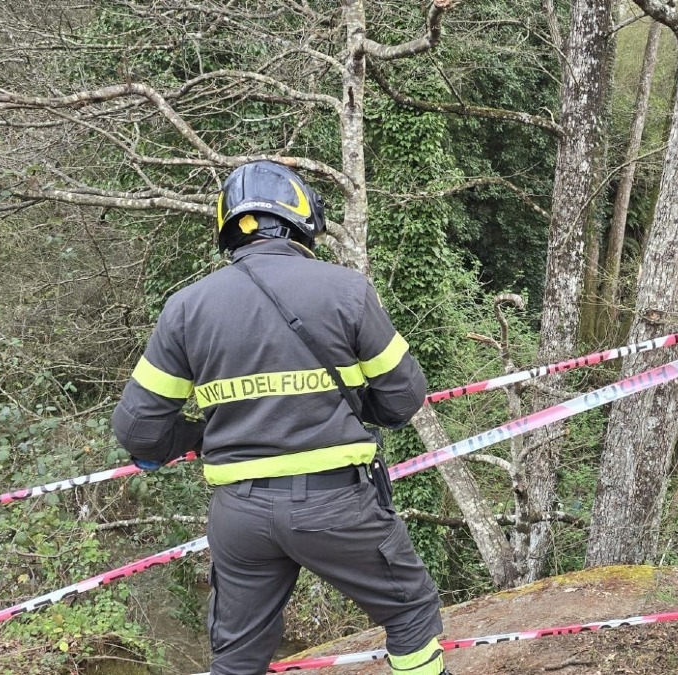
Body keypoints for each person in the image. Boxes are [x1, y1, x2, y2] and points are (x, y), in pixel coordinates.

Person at [111, 161, 450, 675]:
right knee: (410, 613)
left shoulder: (186, 308)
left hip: (240, 516)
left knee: (237, 657)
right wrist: (353, 409)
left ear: (229, 230)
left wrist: (202, 437)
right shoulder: (347, 290)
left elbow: (138, 432)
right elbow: (403, 397)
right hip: (338, 504)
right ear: (303, 221)